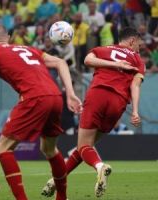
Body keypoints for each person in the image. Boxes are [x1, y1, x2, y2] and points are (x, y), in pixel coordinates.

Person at [0, 24, 83, 200]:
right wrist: (70, 94)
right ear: (8, 38)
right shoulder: (29, 49)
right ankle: (62, 197)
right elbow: (60, 62)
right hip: (56, 96)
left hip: (34, 97)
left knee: (2, 147)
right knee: (49, 149)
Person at [42, 27, 145, 198]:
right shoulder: (138, 61)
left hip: (98, 95)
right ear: (132, 41)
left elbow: (88, 61)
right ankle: (55, 181)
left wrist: (113, 64)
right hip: (117, 104)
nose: (139, 49)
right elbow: (135, 85)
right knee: (85, 147)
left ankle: (99, 166)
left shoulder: (103, 49)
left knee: (84, 146)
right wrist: (134, 111)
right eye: (139, 46)